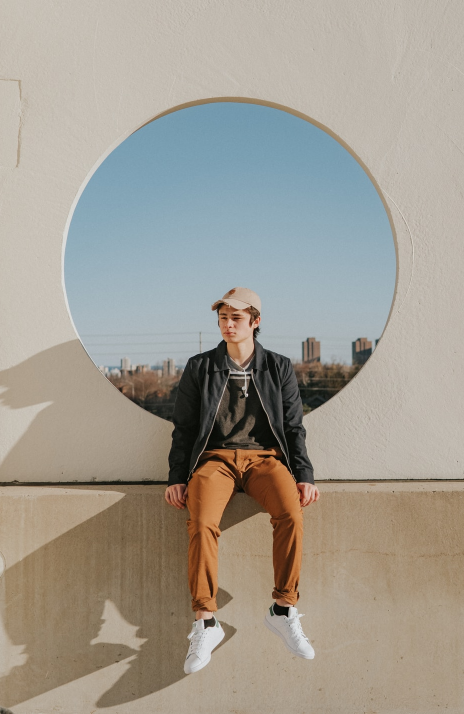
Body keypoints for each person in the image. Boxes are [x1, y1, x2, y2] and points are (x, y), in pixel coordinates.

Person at [165, 287, 320, 674]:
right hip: (214, 461)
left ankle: (283, 609)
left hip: (265, 460)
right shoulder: (200, 367)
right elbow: (183, 428)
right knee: (201, 524)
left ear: (255, 322)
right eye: (222, 318)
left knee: (291, 514)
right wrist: (176, 477)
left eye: (236, 318)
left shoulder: (278, 367)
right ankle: (206, 621)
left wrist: (303, 474)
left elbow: (293, 426)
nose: (228, 325)